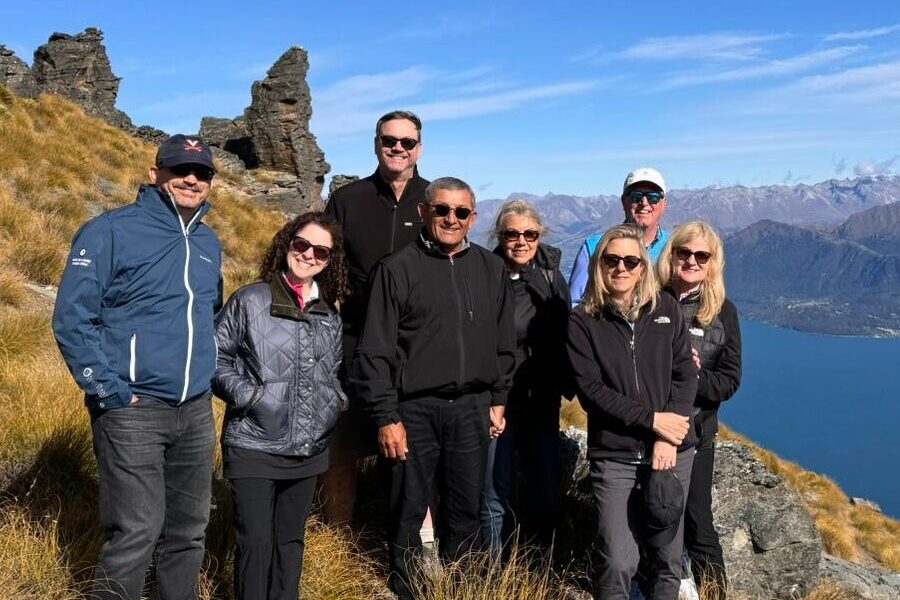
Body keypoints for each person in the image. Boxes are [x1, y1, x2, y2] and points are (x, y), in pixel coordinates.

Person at [52, 135, 222, 600]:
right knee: (135, 533)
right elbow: (72, 317)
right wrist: (109, 391)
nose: (192, 178)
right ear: (155, 174)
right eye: (180, 169)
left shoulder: (209, 242)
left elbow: (210, 317)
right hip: (133, 408)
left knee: (188, 532)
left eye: (202, 172)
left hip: (194, 409)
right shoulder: (110, 230)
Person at [351, 176, 516, 600]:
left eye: (461, 212)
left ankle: (463, 588)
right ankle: (408, 589)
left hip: (472, 407)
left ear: (473, 218)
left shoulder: (491, 268)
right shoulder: (396, 270)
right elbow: (375, 352)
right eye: (441, 209)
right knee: (407, 508)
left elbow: (503, 343)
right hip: (413, 410)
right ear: (424, 213)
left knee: (466, 511)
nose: (451, 218)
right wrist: (387, 416)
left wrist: (498, 399)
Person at [213, 211, 349, 600]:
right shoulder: (251, 300)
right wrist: (251, 397)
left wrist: (334, 402)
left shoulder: (329, 314)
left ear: (329, 261)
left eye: (320, 252)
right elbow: (214, 358)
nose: (308, 255)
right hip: (254, 443)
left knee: (290, 544)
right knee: (255, 544)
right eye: (302, 244)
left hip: (308, 449)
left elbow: (333, 371)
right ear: (287, 243)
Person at [566, 224, 697, 600]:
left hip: (672, 453)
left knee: (667, 558)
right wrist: (653, 421)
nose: (621, 268)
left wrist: (666, 438)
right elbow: (591, 392)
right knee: (618, 560)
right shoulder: (582, 323)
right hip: (615, 453)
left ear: (643, 267)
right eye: (611, 260)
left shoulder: (666, 308)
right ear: (598, 266)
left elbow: (685, 374)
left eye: (631, 260)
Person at [323, 110, 429, 525]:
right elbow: (326, 261)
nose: (397, 148)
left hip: (416, 346)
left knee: (415, 449)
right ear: (376, 143)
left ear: (419, 148)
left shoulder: (434, 201)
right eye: (389, 140)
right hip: (354, 339)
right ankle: (337, 538)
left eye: (406, 142)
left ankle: (409, 541)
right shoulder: (348, 200)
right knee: (342, 445)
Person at [480, 199, 572, 556]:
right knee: (494, 490)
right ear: (500, 236)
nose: (521, 241)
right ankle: (492, 573)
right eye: (512, 234)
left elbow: (567, 331)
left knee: (545, 488)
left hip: (541, 398)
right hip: (498, 400)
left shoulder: (551, 278)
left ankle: (538, 567)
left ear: (540, 237)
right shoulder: (486, 275)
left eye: (529, 234)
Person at [656, 222, 742, 598]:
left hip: (697, 435)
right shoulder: (649, 301)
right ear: (671, 256)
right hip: (649, 430)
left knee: (697, 522)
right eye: (684, 253)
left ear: (712, 263)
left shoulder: (724, 313)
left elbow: (729, 381)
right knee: (653, 518)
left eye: (701, 255)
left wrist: (696, 375)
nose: (691, 261)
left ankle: (714, 593)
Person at [569, 167, 671, 306]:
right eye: (636, 196)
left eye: (653, 197)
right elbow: (574, 302)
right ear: (624, 201)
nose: (644, 203)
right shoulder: (593, 247)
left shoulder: (675, 247)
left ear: (664, 204)